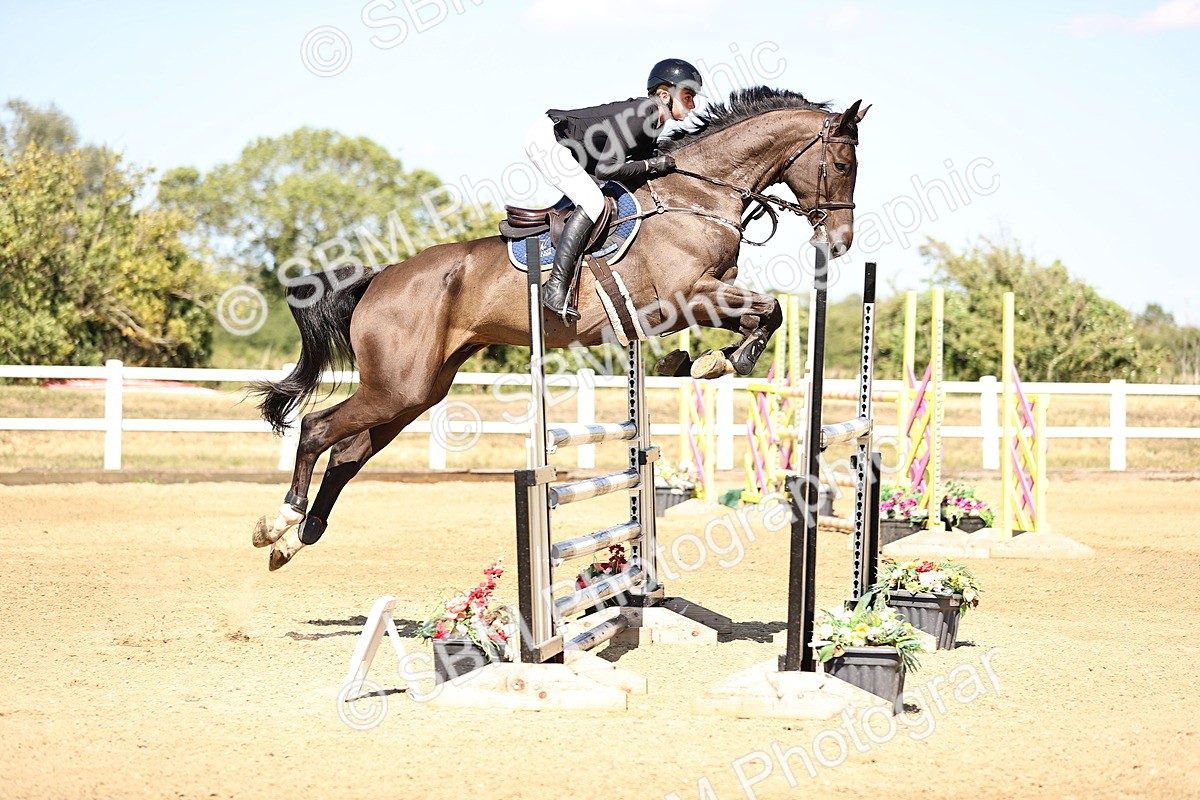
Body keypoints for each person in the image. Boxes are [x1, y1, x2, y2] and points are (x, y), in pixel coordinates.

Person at [524, 58, 702, 321]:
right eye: (688, 97)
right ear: (665, 95)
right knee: (593, 202)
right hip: (548, 141)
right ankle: (554, 287)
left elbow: (632, 168)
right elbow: (606, 170)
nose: (693, 105)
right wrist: (651, 165)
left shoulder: (655, 123)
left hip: (577, 152)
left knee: (603, 196)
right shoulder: (643, 114)